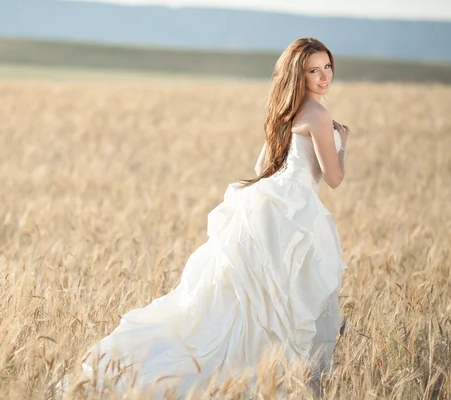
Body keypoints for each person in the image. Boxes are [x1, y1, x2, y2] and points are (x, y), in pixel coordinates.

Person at [74, 37, 350, 398]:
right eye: (313, 70)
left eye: (327, 67)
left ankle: (238, 371)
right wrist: (343, 140)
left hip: (266, 207)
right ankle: (266, 377)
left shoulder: (287, 110)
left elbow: (264, 167)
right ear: (298, 75)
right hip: (293, 214)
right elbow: (333, 178)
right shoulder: (318, 114)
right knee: (281, 302)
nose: (323, 75)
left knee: (250, 302)